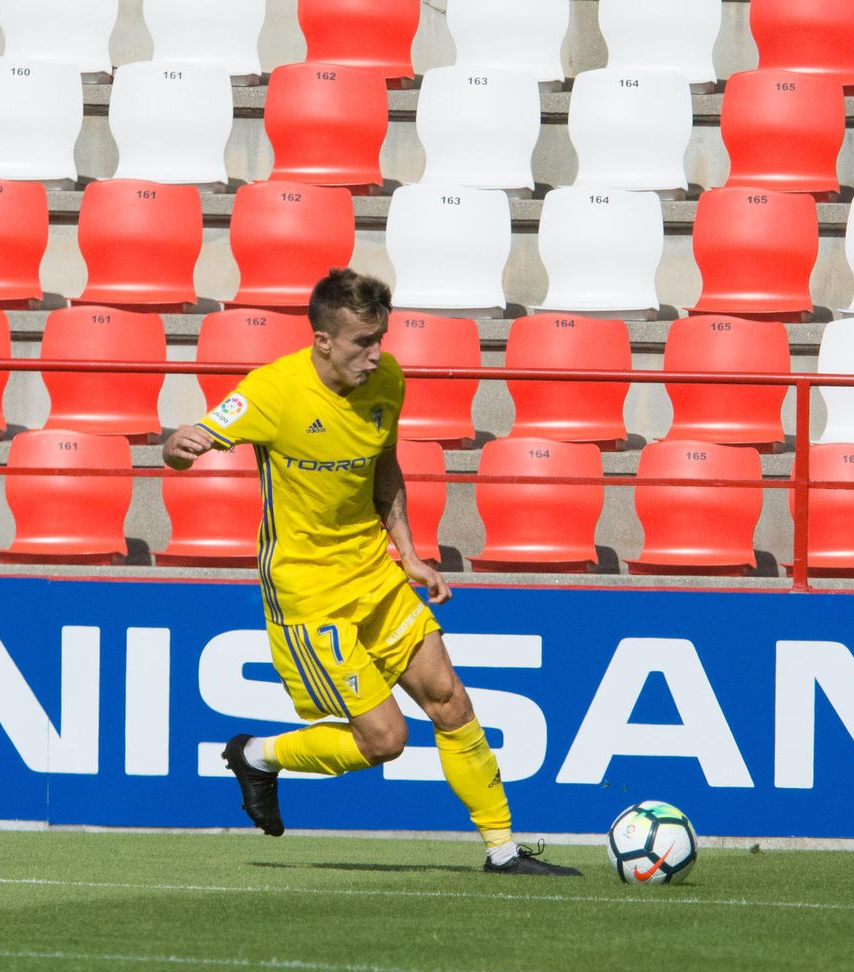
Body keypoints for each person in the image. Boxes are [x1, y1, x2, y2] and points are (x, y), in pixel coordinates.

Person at [163, 268, 578, 876]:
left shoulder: (387, 381)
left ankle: (503, 850)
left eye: (380, 337)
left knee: (450, 700)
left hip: (373, 571)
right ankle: (257, 754)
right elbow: (181, 444)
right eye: (362, 341)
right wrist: (182, 446)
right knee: (386, 741)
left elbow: (385, 468)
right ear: (323, 339)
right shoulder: (273, 392)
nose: (376, 353)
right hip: (307, 589)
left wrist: (408, 552)